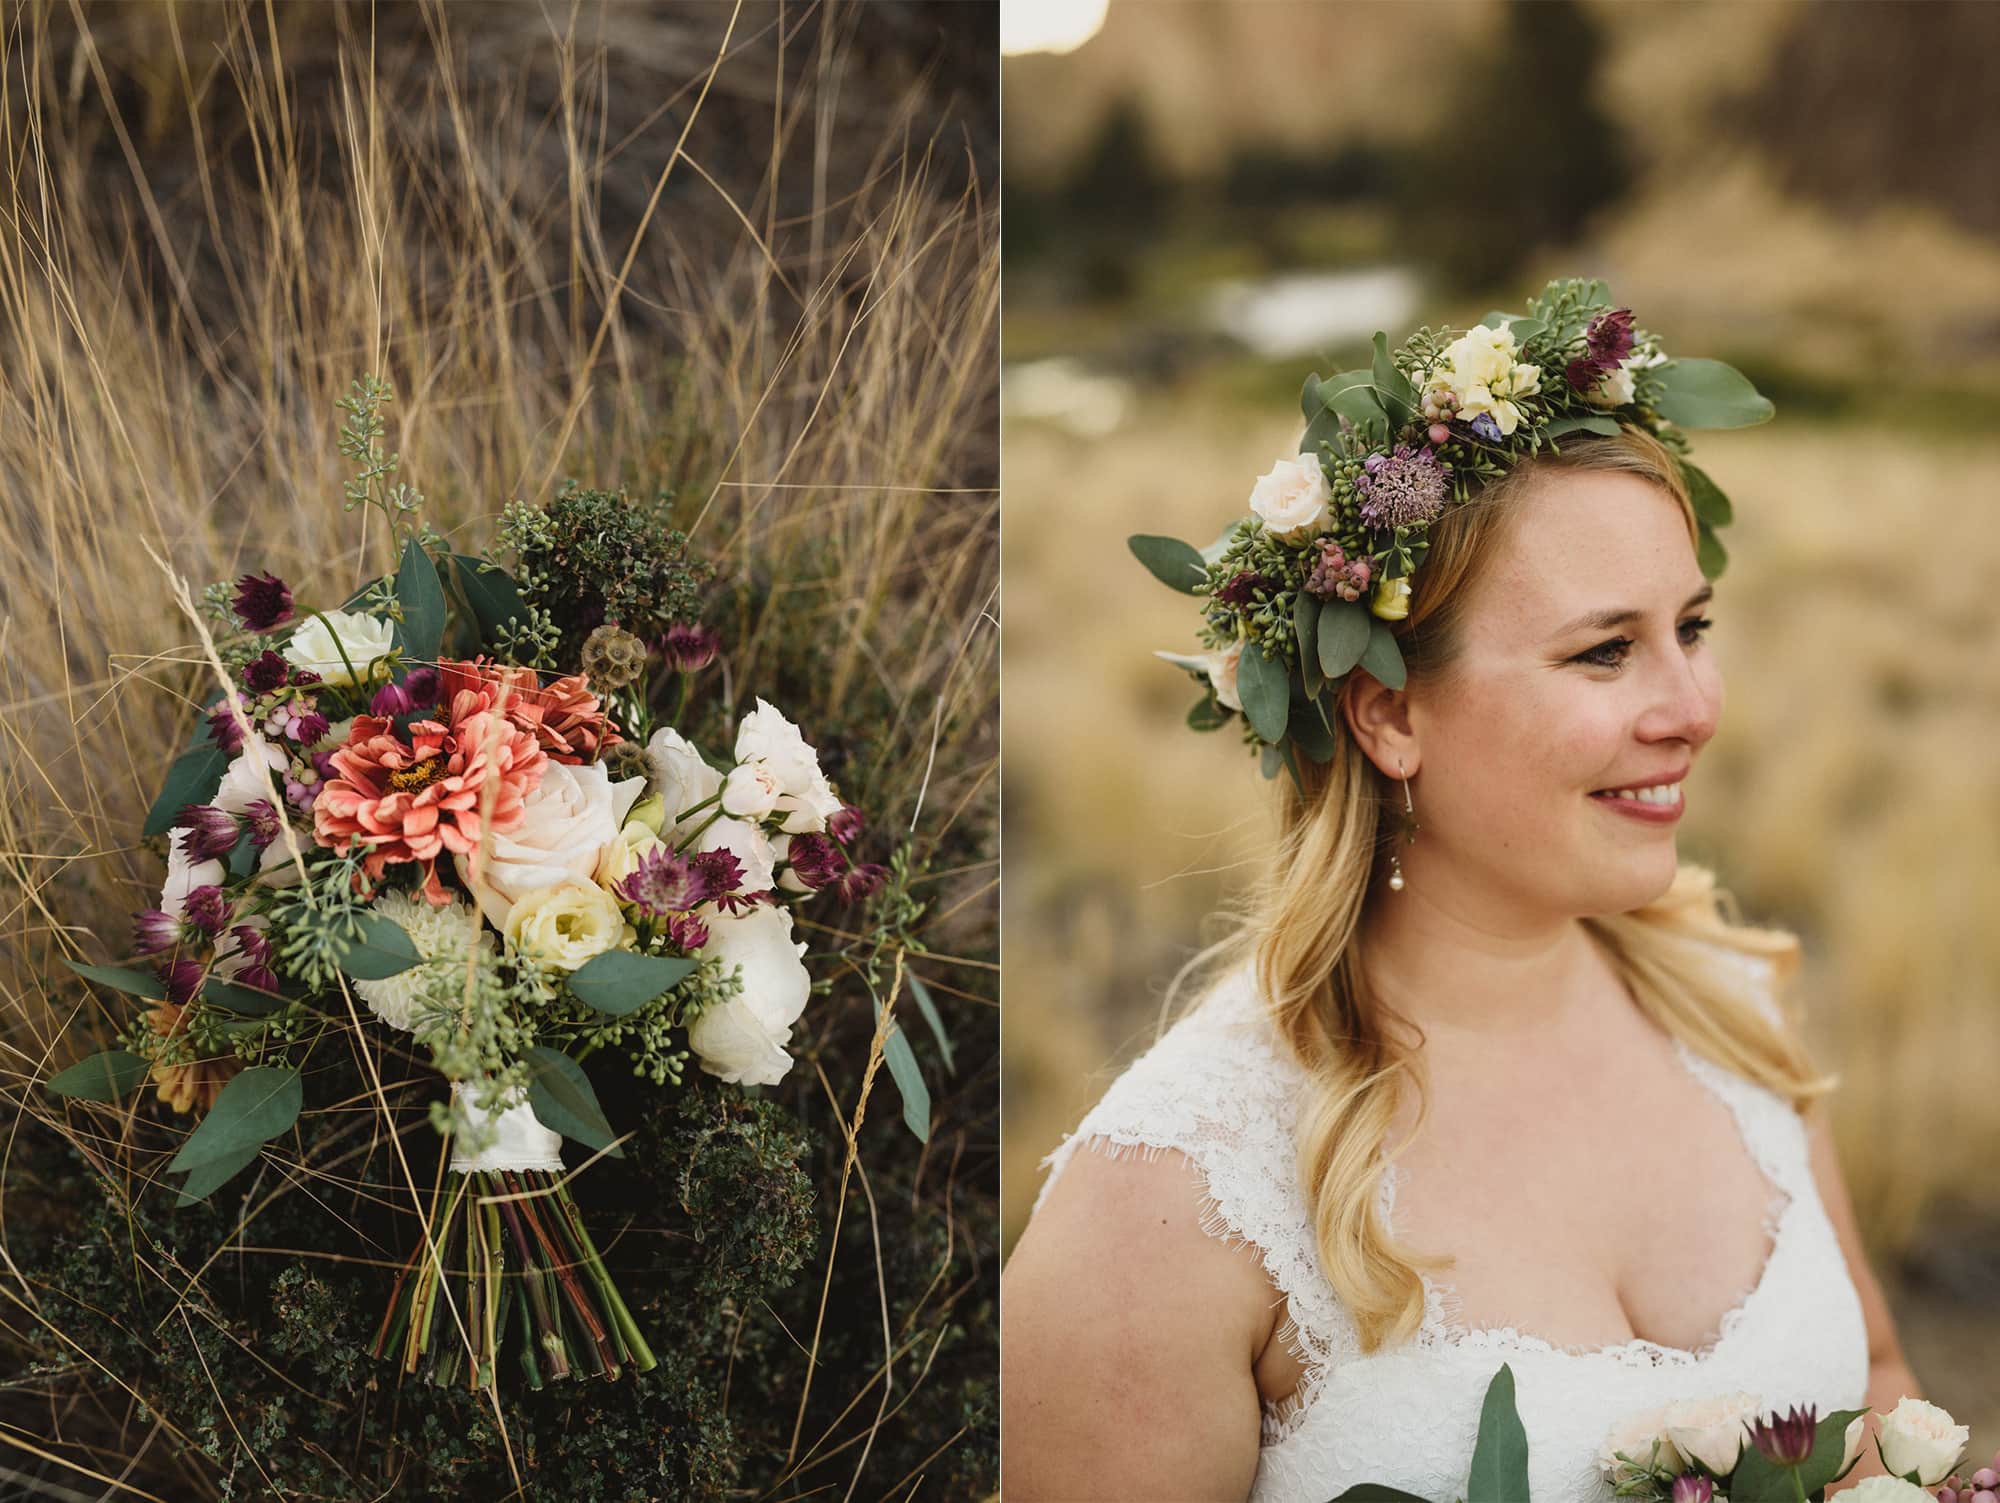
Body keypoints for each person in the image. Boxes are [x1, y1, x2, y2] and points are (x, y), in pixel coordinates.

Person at [1002, 283, 1923, 1502]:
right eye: (1602, 650)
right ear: (1387, 713)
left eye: (1689, 628)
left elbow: (1877, 1383)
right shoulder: (1164, 1206)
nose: (1693, 709)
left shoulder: (1734, 1007)